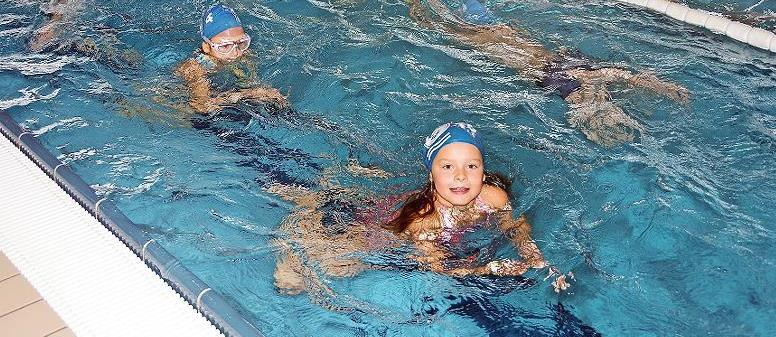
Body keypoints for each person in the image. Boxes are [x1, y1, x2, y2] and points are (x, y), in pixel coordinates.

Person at [407, 0, 691, 147]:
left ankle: (602, 121)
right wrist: (661, 86)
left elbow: (620, 77)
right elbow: (622, 76)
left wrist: (660, 86)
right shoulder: (487, 32)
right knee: (600, 83)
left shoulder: (479, 34)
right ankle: (604, 119)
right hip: (555, 64)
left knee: (592, 90)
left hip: (551, 67)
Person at [384, 122, 571, 291]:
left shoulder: (494, 198)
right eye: (448, 167)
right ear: (431, 176)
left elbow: (516, 228)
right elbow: (438, 271)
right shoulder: (423, 221)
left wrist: (538, 260)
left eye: (471, 166)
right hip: (385, 227)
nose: (461, 176)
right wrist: (488, 269)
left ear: (483, 174)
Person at [175, 3, 287, 114]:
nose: (235, 53)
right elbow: (201, 107)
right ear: (206, 47)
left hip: (222, 97)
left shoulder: (244, 55)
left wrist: (266, 93)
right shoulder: (194, 68)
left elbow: (251, 84)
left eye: (241, 43)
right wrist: (246, 94)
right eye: (225, 46)